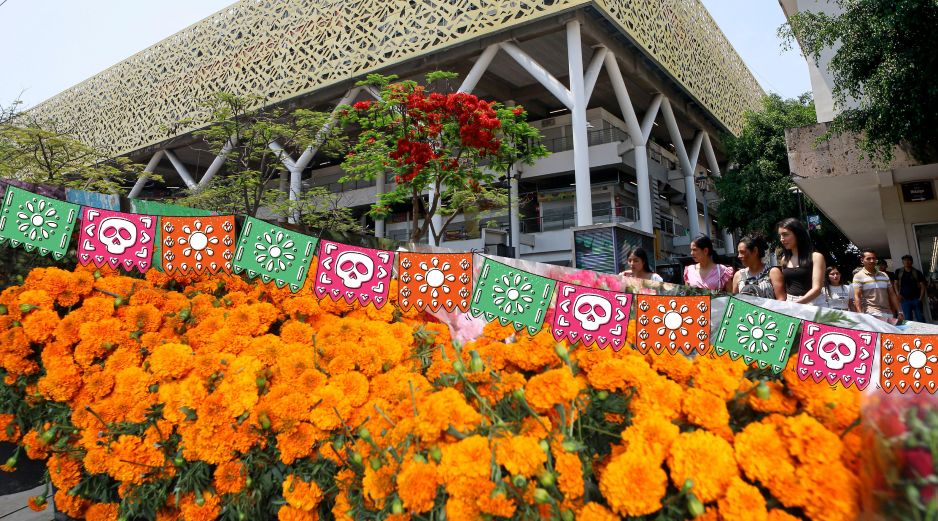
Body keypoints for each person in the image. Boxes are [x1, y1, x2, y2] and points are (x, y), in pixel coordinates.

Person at [777, 218, 827, 306]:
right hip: (790, 302)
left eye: (785, 234)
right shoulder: (784, 259)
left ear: (798, 234)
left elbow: (817, 289)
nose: (782, 239)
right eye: (780, 235)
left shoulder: (816, 257)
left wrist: (796, 304)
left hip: (813, 303)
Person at [853, 249, 903, 322]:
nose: (872, 261)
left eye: (874, 258)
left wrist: (899, 311)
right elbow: (857, 296)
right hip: (871, 313)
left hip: (887, 312)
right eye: (868, 258)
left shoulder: (884, 275)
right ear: (862, 260)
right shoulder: (858, 276)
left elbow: (892, 294)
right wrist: (860, 314)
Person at [732, 235, 785, 300]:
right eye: (738, 252)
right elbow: (735, 302)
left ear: (755, 251)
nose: (739, 256)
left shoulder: (773, 272)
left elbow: (781, 300)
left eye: (742, 252)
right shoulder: (738, 275)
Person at [894, 254, 927, 322]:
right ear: (902, 262)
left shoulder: (917, 272)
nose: (907, 262)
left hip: (916, 299)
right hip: (904, 300)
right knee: (908, 319)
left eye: (909, 260)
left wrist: (920, 298)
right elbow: (895, 283)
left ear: (912, 262)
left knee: (920, 318)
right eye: (905, 260)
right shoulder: (898, 271)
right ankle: (910, 332)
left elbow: (923, 286)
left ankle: (924, 332)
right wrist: (898, 294)